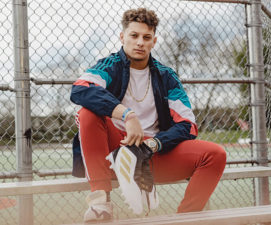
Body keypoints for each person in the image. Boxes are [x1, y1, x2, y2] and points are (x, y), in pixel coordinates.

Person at [70, 7, 226, 222]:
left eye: (146, 37)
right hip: (116, 151)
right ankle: (101, 203)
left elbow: (188, 125)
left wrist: (151, 145)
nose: (140, 42)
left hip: (151, 153)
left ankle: (187, 219)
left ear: (154, 41)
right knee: (87, 113)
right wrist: (127, 115)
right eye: (134, 36)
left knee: (215, 154)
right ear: (123, 37)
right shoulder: (110, 66)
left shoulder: (166, 76)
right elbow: (80, 88)